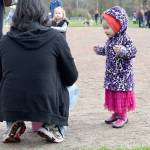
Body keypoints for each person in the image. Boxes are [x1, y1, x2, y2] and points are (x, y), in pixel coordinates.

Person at [0, 0, 78, 144]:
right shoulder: (56, 38)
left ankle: (12, 122)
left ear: (16, 15)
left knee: (7, 82)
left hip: (11, 102)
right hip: (46, 99)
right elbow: (71, 77)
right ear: (42, 13)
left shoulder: (4, 41)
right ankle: (52, 126)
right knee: (73, 88)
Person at [32, 6, 79, 138]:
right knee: (71, 89)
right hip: (57, 51)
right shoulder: (51, 32)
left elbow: (63, 29)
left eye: (59, 13)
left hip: (58, 46)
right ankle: (56, 125)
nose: (57, 15)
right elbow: (71, 76)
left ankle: (39, 124)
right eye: (56, 13)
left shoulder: (62, 23)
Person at [93, 6, 137, 128]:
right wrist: (100, 50)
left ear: (117, 25)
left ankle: (123, 116)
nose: (105, 31)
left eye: (107, 28)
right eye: (104, 28)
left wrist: (123, 51)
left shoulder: (125, 38)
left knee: (120, 94)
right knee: (113, 93)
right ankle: (116, 113)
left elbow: (133, 51)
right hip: (112, 74)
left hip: (123, 75)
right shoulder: (110, 40)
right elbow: (107, 51)